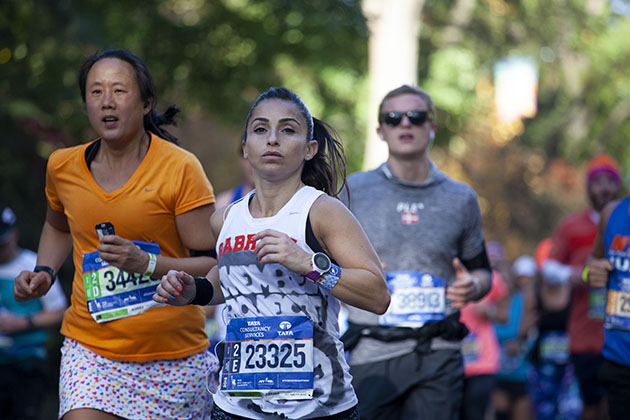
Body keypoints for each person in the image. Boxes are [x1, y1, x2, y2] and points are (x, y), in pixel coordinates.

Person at [154, 87, 390, 420]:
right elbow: (227, 280)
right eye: (261, 129)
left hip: (317, 407)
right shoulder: (224, 219)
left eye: (288, 130)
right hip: (236, 404)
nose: (273, 139)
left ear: (309, 150)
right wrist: (194, 290)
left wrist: (309, 264)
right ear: (245, 148)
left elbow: (378, 296)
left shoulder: (322, 211)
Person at [13, 49, 218, 420]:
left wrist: (146, 264)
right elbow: (58, 226)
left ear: (145, 103)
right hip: (91, 350)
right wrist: (44, 271)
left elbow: (210, 264)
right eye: (96, 92)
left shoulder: (179, 168)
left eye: (119, 91)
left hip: (173, 355)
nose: (107, 102)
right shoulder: (62, 166)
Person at [338, 85, 492, 420]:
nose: (405, 124)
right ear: (380, 130)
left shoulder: (460, 197)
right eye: (393, 118)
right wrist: (354, 268)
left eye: (416, 117)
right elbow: (324, 265)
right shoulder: (352, 191)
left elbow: (483, 271)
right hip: (371, 352)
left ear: (432, 127)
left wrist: (474, 286)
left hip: (438, 350)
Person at [542, 153, 622, 420]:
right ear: (588, 187)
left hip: (622, 336)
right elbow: (549, 267)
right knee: (591, 404)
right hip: (585, 336)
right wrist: (572, 274)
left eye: (609, 181)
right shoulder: (571, 225)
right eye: (597, 181)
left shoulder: (625, 221)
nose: (604, 188)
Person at [0, 206, 67, 419]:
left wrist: (23, 324)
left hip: (27, 360)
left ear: (14, 234)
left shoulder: (34, 265)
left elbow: (59, 310)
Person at [459, 270, 508, 420]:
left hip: (482, 363)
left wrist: (488, 311)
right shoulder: (445, 271)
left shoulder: (490, 277)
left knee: (476, 413)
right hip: (453, 361)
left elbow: (504, 316)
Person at [492, 256, 536, 420]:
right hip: (496, 374)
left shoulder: (524, 301)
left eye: (505, 279)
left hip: (522, 373)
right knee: (500, 413)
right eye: (498, 280)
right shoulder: (489, 306)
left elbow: (533, 331)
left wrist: (521, 345)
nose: (502, 283)